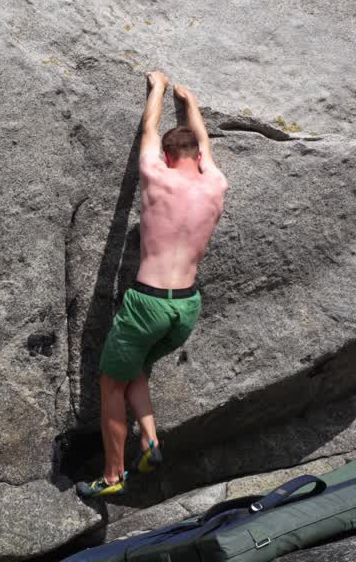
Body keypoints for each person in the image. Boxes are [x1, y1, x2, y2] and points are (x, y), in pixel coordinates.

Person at [76, 69, 230, 498]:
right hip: (186, 308)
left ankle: (112, 477)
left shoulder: (155, 175)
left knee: (111, 383)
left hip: (148, 303)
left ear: (166, 156)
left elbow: (148, 128)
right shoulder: (216, 184)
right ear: (198, 156)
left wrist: (158, 88)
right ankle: (151, 442)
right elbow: (205, 144)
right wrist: (191, 102)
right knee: (136, 367)